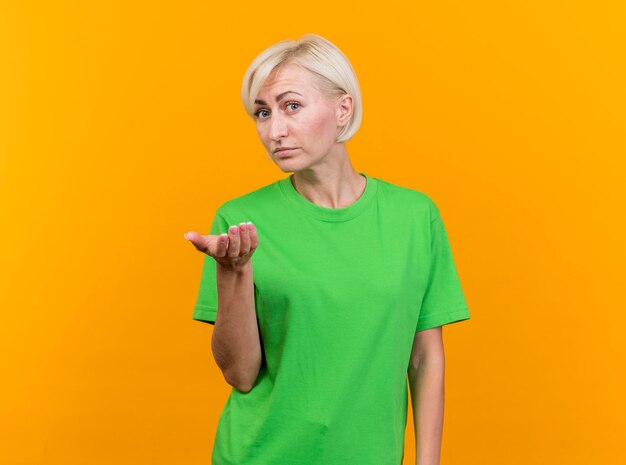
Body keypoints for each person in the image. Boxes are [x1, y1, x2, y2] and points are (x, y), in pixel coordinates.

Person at [184, 33, 470, 465]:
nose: (274, 130)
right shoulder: (239, 221)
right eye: (262, 112)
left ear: (343, 109)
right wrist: (234, 272)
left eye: (291, 106)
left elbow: (425, 356)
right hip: (260, 455)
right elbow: (240, 375)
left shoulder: (414, 217)